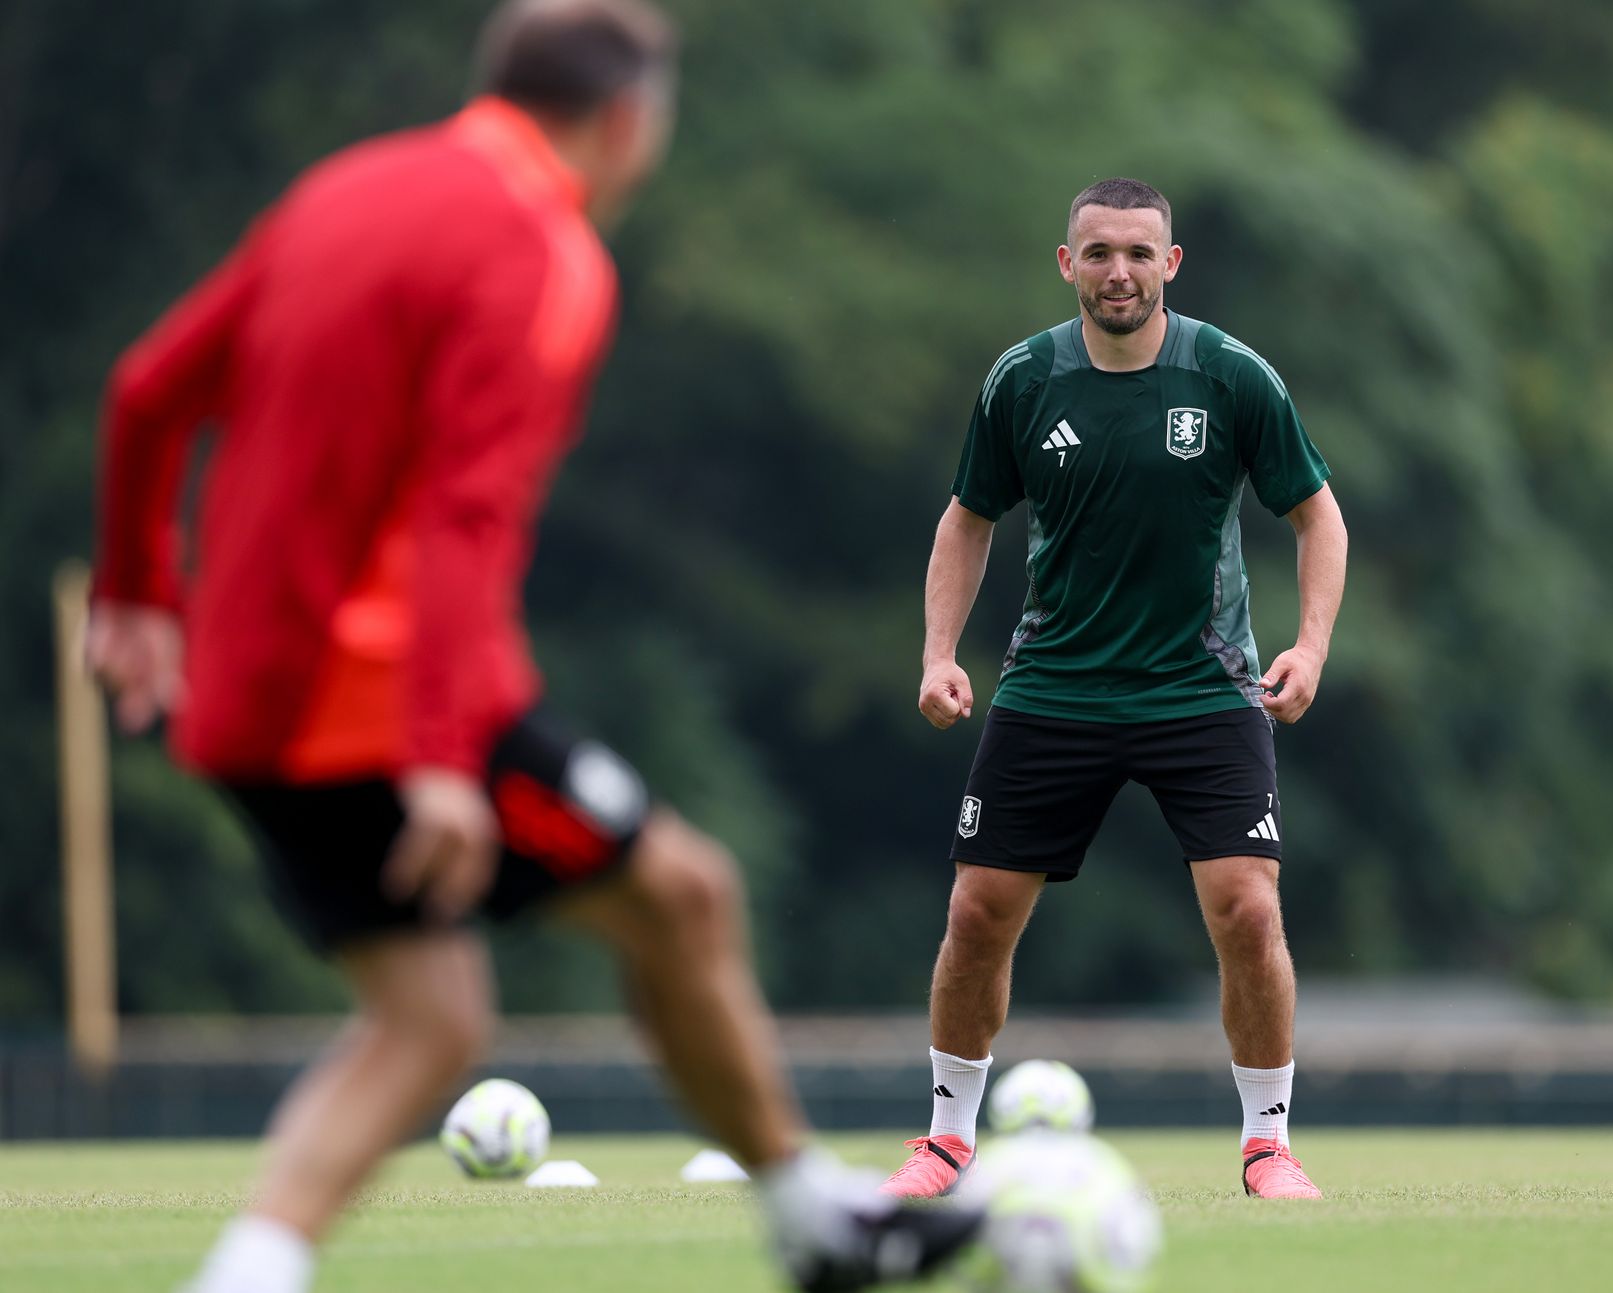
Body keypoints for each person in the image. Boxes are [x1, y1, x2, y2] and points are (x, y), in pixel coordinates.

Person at [86, 3, 979, 1289]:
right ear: (627, 121)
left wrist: (135, 588)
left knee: (432, 1021)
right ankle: (817, 1224)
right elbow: (465, 517)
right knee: (685, 896)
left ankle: (250, 1271)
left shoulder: (348, 187)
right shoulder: (544, 254)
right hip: (379, 704)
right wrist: (443, 757)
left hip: (245, 698)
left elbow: (145, 391)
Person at [882, 178, 1348, 1202]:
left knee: (1247, 913)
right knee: (976, 914)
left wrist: (1310, 648)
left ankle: (1267, 1144)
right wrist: (939, 653)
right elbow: (969, 519)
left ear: (1170, 265)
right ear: (1067, 264)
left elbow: (1317, 515)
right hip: (1056, 686)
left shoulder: (1230, 376)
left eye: (1140, 253)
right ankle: (947, 1141)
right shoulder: (1024, 379)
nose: (1120, 272)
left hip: (1203, 687)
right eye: (1099, 254)